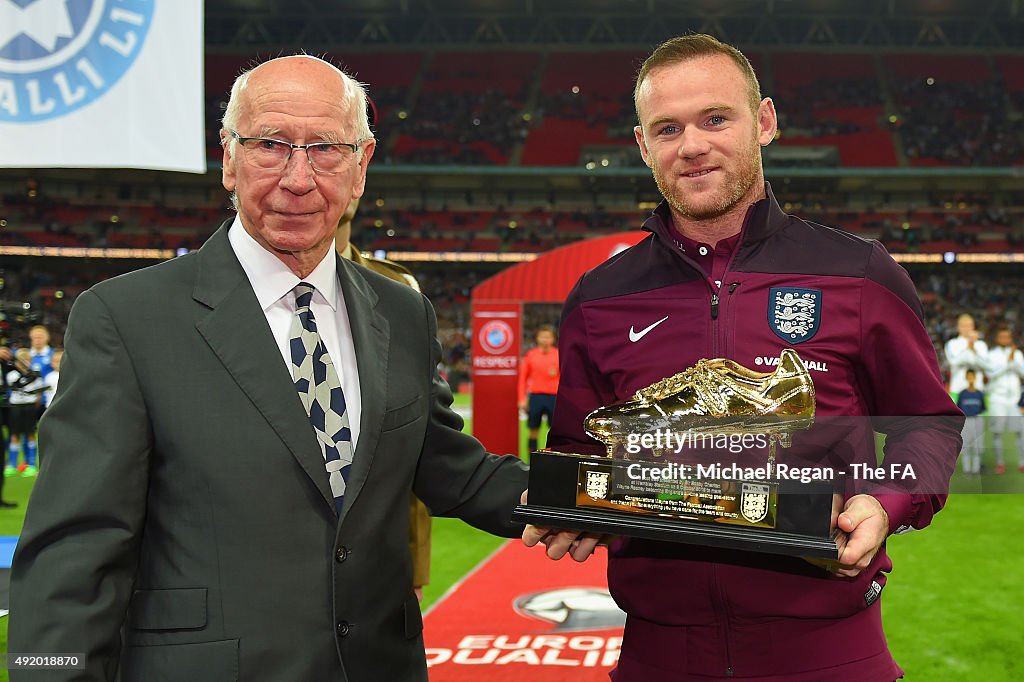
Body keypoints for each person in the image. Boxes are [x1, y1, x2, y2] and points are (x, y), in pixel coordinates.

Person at [10, 55, 530, 682]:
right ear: (228, 157)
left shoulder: (401, 311)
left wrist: (606, 497)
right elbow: (74, 550)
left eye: (326, 149)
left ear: (362, 164)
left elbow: (451, 468)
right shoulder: (125, 318)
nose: (298, 178)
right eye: (271, 145)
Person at [535, 34, 964, 681]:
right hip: (658, 655)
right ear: (642, 145)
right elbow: (579, 443)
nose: (692, 145)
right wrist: (571, 499)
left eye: (715, 118)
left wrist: (884, 500)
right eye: (668, 128)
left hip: (831, 653)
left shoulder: (860, 272)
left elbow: (930, 425)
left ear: (763, 122)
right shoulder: (599, 298)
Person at [336, 190, 432, 602]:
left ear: (361, 170)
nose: (306, 172)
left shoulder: (399, 293)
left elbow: (415, 440)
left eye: (332, 149)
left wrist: (415, 558)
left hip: (376, 560)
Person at [983, 325, 1024, 474]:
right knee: (997, 432)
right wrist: (1008, 362)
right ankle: (1000, 463)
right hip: (997, 397)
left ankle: (1022, 462)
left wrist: (1014, 362)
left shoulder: (1018, 354)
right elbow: (991, 374)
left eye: (1007, 337)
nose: (1005, 339)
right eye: (1002, 336)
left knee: (1020, 432)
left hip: (1015, 398)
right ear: (997, 338)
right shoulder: (991, 355)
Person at [518, 324, 560, 453]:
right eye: (543, 337)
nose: (545, 340)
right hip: (536, 397)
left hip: (554, 397)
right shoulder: (530, 355)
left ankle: (552, 457)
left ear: (553, 339)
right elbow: (522, 379)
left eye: (548, 337)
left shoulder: (559, 355)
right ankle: (532, 459)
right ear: (537, 338)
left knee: (555, 431)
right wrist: (522, 399)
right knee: (533, 429)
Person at [4, 348, 44, 478]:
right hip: (16, 407)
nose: (23, 364)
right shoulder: (12, 375)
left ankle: (31, 465)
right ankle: (12, 464)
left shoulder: (35, 375)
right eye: (20, 361)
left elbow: (39, 393)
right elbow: (16, 386)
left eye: (26, 360)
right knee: (14, 435)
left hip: (29, 407)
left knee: (30, 434)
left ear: (30, 361)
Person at [944, 313, 988, 396]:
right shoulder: (952, 344)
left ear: (973, 327)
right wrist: (968, 347)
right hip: (957, 389)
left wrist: (974, 350)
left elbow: (985, 365)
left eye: (969, 326)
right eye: (963, 326)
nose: (967, 329)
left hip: (978, 389)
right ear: (958, 327)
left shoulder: (981, 345)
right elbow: (954, 362)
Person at [956, 368, 986, 476]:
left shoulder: (979, 394)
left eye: (972, 376)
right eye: (968, 376)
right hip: (966, 421)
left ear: (975, 378)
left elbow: (983, 407)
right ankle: (967, 469)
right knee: (966, 446)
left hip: (977, 419)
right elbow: (958, 407)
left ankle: (976, 469)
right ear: (966, 378)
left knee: (977, 446)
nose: (970, 379)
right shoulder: (962, 394)